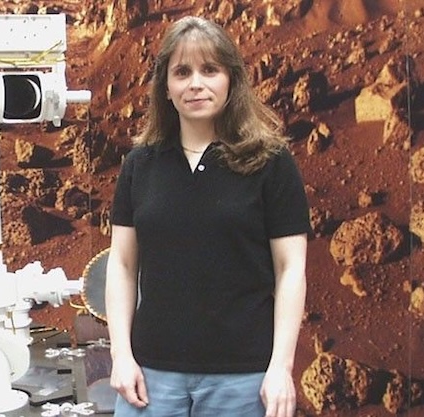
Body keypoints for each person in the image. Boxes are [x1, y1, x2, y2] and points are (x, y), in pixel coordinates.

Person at [105, 15, 310, 417]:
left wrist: (281, 368)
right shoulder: (140, 165)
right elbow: (123, 264)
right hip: (149, 377)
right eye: (182, 72)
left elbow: (291, 269)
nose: (195, 83)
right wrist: (121, 356)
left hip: (243, 379)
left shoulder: (270, 162)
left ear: (231, 79)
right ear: (166, 87)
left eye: (210, 70)